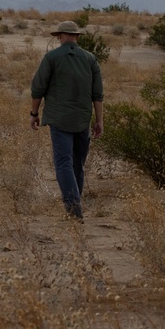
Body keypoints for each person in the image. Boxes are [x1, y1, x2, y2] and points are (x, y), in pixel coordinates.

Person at [30, 20, 104, 221]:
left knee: (64, 163)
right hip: (82, 119)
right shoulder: (90, 59)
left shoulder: (51, 57)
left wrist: (34, 113)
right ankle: (75, 205)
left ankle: (73, 209)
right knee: (78, 164)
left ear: (60, 36)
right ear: (77, 37)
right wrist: (99, 121)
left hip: (59, 119)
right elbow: (98, 95)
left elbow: (38, 88)